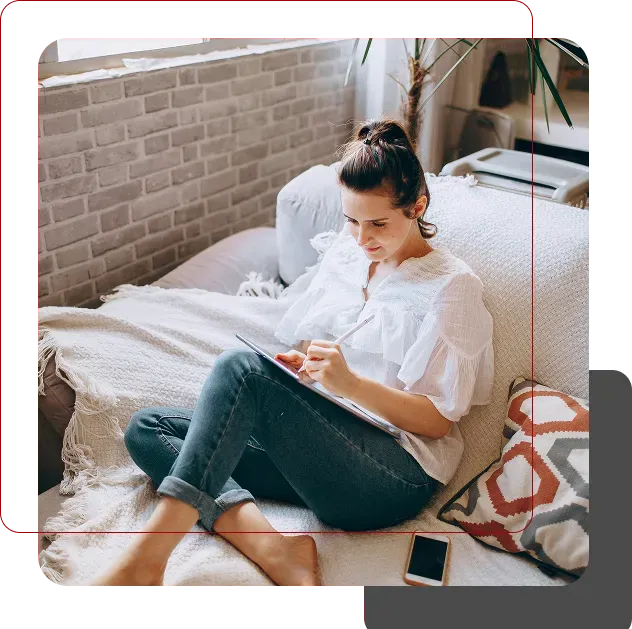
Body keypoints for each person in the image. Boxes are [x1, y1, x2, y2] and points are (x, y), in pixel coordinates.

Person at [93, 118, 494, 590]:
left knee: (240, 370)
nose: (362, 239)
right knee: (149, 429)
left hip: (392, 477)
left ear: (417, 207)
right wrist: (308, 370)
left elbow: (437, 422)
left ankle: (146, 561)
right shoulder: (348, 255)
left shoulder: (450, 287)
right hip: (322, 451)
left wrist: (351, 385)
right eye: (351, 220)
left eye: (378, 224)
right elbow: (313, 351)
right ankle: (279, 553)